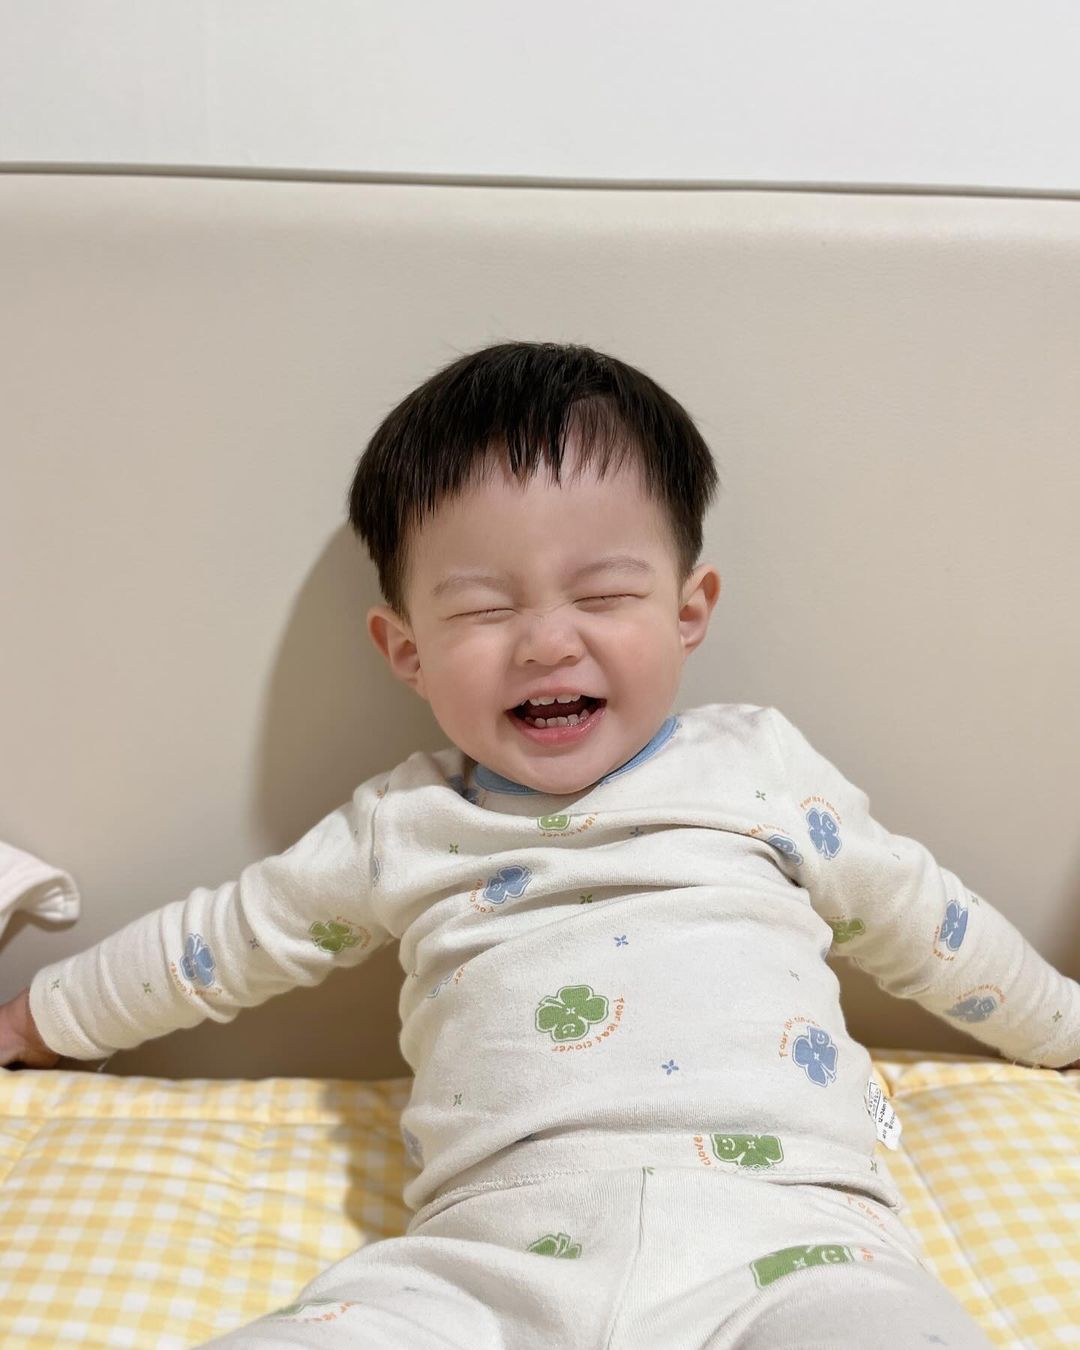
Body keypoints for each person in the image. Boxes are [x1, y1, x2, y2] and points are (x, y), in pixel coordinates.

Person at [1, 341, 1076, 1348]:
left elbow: (932, 926)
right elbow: (220, 943)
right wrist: (39, 1022)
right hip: (483, 1261)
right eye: (479, 610)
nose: (549, 641)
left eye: (605, 594)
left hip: (796, 1239)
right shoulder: (402, 828)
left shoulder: (762, 774)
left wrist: (1065, 1030)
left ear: (690, 609)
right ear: (405, 649)